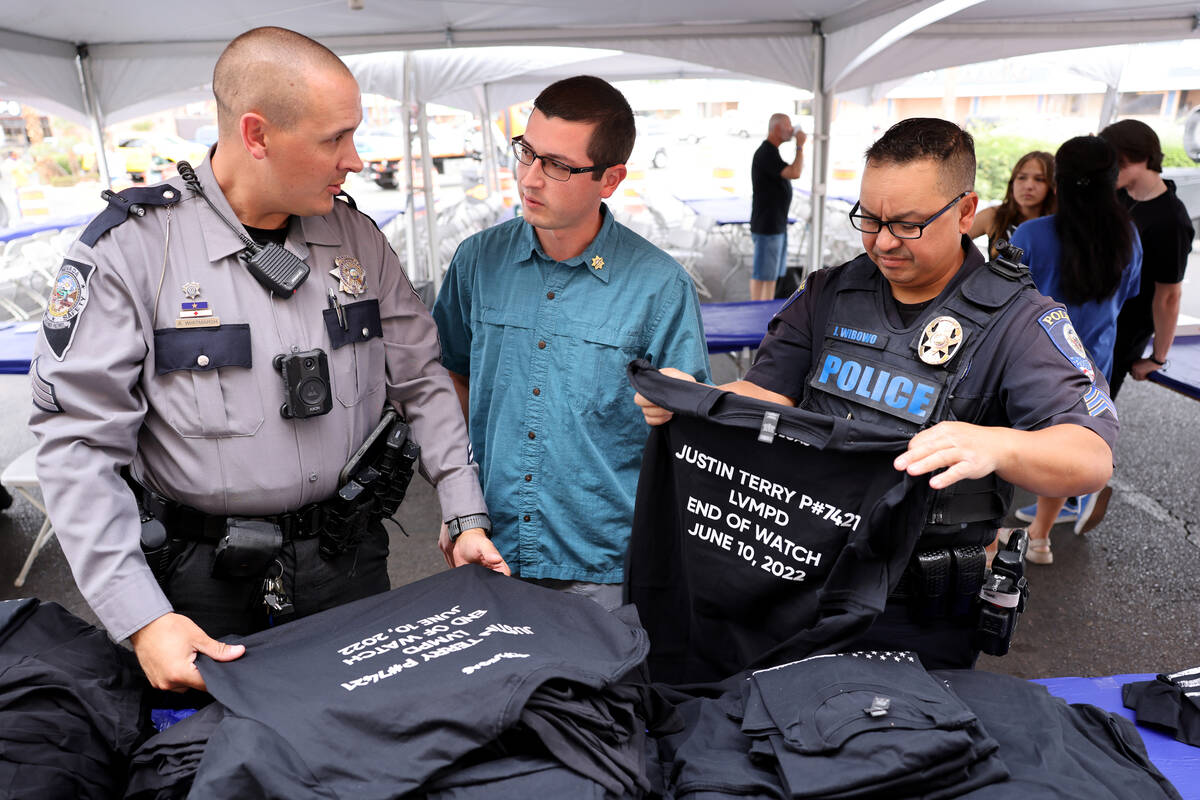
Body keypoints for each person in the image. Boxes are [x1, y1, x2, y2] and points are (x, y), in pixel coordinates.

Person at [28, 26, 506, 692]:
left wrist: (463, 511)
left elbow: (422, 380)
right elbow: (78, 445)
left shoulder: (357, 240)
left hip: (348, 560)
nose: (356, 160)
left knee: (366, 744)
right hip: (202, 586)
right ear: (256, 135)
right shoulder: (132, 252)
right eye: (333, 138)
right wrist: (142, 620)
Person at [636, 118, 1117, 669]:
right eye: (870, 218)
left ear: (965, 212)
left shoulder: (1020, 322)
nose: (883, 241)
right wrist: (701, 402)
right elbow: (767, 395)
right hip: (803, 579)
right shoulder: (829, 292)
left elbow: (1090, 457)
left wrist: (995, 446)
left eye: (908, 224)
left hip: (919, 608)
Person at [432, 75, 711, 611]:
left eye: (557, 165)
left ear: (610, 179)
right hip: (491, 548)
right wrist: (459, 503)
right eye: (526, 153)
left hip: (605, 564)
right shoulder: (477, 261)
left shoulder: (660, 284)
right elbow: (452, 378)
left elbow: (687, 435)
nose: (530, 179)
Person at [1009, 136, 1142, 561]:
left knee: (998, 441)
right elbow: (1130, 294)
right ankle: (1041, 539)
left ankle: (984, 536)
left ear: (1058, 183)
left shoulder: (1031, 234)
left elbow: (1000, 296)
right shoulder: (1128, 238)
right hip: (1090, 366)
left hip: (1027, 362)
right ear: (1113, 182)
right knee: (1064, 450)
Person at [1099, 119, 1195, 399]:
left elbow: (1169, 297)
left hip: (1124, 333)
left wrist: (1158, 357)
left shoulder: (1172, 221)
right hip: (1097, 318)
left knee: (1092, 410)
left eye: (1115, 162)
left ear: (1140, 158)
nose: (1109, 170)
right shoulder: (1119, 194)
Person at [749, 113, 806, 301]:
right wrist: (799, 145)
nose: (791, 130)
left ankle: (764, 313)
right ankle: (757, 312)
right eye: (788, 127)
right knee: (762, 276)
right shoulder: (766, 152)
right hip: (768, 226)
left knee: (771, 276)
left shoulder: (772, 153)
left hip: (776, 225)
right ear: (776, 129)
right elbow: (795, 172)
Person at [968, 150, 1056, 258]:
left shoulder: (1061, 223)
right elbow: (953, 242)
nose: (1029, 186)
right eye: (1022, 177)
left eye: (1039, 179)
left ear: (1053, 186)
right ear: (1012, 182)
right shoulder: (993, 215)